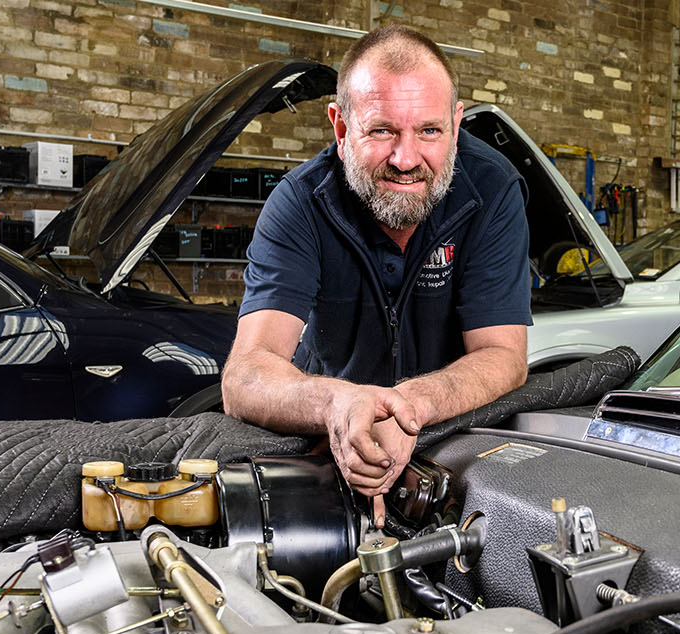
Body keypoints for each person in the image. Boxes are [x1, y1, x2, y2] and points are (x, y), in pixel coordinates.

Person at [219, 25, 531, 527]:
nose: (406, 160)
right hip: (329, 443)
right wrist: (340, 404)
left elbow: (503, 356)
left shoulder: (492, 191)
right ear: (341, 128)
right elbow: (246, 375)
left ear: (455, 124)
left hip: (447, 439)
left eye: (429, 131)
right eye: (382, 130)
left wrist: (410, 406)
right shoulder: (299, 203)